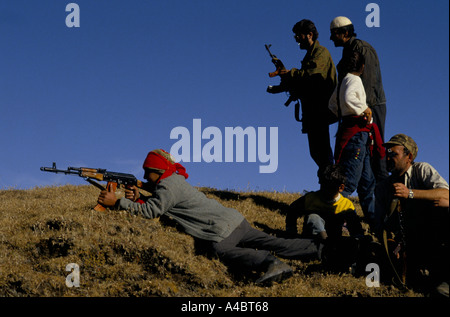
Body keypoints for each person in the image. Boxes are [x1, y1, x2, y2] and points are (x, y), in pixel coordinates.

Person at [97, 149, 323, 285]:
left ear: (157, 171)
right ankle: (320, 250)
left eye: (148, 171)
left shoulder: (166, 187)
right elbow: (162, 204)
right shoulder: (173, 181)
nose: (145, 175)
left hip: (221, 230)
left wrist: (117, 202)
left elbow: (150, 212)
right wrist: (139, 196)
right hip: (235, 219)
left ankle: (270, 263)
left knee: (220, 251)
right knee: (276, 242)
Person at [374, 134, 449, 296]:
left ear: (409, 156)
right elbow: (379, 224)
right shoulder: (382, 188)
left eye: (394, 153)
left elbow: (446, 194)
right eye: (387, 153)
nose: (388, 157)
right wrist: (391, 242)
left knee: (443, 206)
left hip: (432, 236)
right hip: (406, 244)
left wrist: (411, 193)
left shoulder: (422, 170)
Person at [268, 19, 337, 172]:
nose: (296, 39)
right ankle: (326, 185)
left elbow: (312, 75)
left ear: (309, 35)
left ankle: (331, 184)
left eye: (298, 35)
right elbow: (304, 82)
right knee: (316, 152)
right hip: (312, 111)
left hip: (319, 110)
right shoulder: (310, 56)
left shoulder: (321, 53)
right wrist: (283, 84)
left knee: (323, 152)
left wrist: (289, 73)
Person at [328, 50, 384, 225]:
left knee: (367, 181)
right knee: (349, 181)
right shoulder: (354, 80)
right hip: (357, 134)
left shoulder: (342, 81)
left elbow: (332, 104)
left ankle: (374, 220)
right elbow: (349, 97)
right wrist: (364, 109)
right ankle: (332, 215)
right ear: (362, 67)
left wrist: (344, 113)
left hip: (352, 133)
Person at [330, 16, 388, 182]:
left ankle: (383, 191)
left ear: (345, 33)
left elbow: (368, 82)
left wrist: (364, 109)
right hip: (358, 107)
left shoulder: (361, 48)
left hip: (371, 106)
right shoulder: (349, 49)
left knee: (376, 148)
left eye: (334, 34)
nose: (331, 38)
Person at [286, 164, 364, 241]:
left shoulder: (346, 206)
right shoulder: (310, 199)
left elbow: (355, 229)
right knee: (313, 218)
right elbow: (292, 212)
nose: (326, 191)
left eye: (330, 188)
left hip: (333, 240)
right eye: (323, 186)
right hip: (311, 240)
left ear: (341, 188)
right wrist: (292, 233)